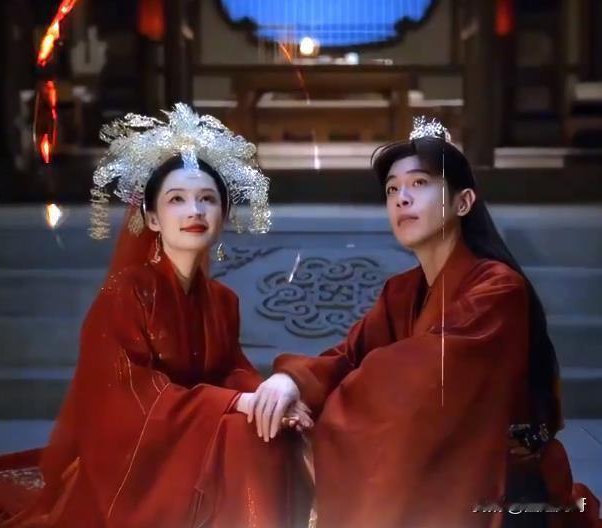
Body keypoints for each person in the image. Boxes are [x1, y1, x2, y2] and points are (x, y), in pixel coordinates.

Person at [248, 117, 602, 528]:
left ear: (463, 203)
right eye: (392, 189)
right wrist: (291, 383)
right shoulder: (401, 292)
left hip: (498, 489)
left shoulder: (499, 289)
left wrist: (321, 414)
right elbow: (348, 357)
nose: (401, 199)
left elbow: (422, 381)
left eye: (419, 184)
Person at [0, 104, 311, 527]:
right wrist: (236, 403)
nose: (195, 211)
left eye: (208, 199)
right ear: (152, 218)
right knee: (245, 432)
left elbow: (231, 369)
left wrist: (269, 397)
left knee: (269, 426)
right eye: (177, 200)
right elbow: (128, 394)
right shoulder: (127, 292)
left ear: (224, 215)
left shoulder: (221, 299)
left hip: (193, 436)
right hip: (139, 453)